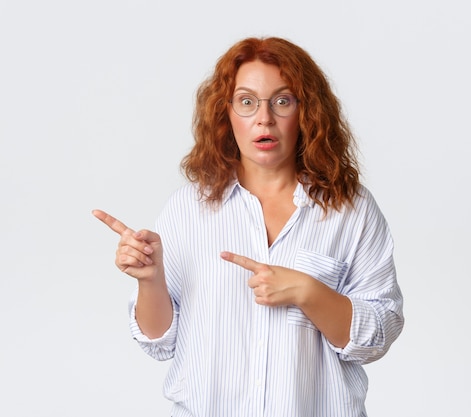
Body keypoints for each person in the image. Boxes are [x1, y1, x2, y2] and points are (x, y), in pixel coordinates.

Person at [93, 36, 404, 417]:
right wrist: (149, 279)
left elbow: (379, 335)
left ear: (307, 112)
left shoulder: (351, 210)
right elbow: (160, 342)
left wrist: (308, 291)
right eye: (247, 101)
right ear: (227, 114)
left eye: (282, 101)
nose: (264, 117)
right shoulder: (188, 209)